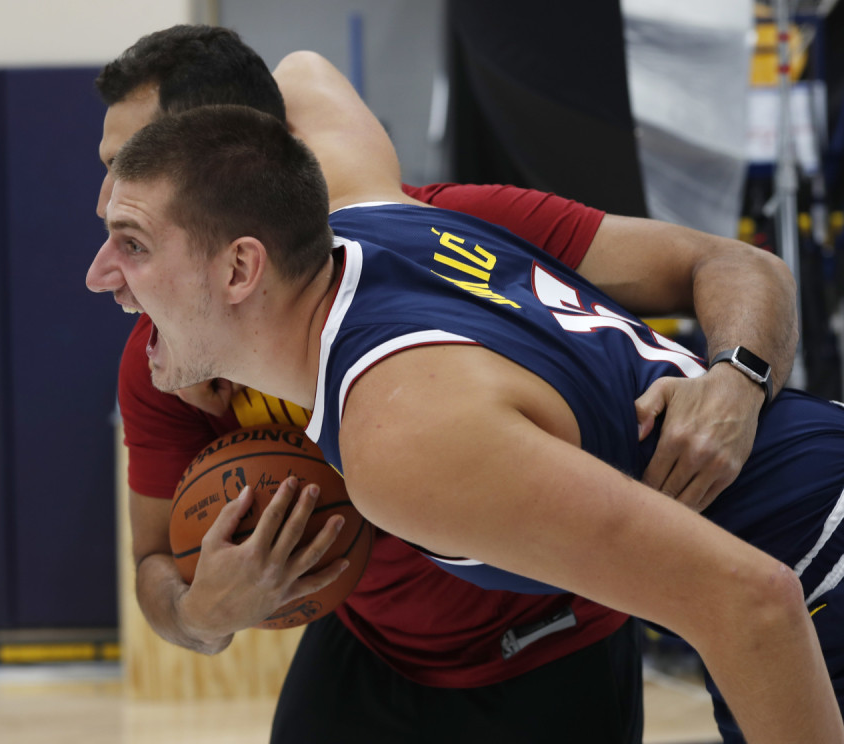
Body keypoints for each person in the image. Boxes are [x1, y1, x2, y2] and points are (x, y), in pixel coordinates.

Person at [88, 50, 844, 744]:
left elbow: (753, 604)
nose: (100, 276)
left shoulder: (399, 437)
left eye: (135, 243)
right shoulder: (373, 211)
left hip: (804, 572)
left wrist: (738, 378)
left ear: (239, 269)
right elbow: (306, 73)